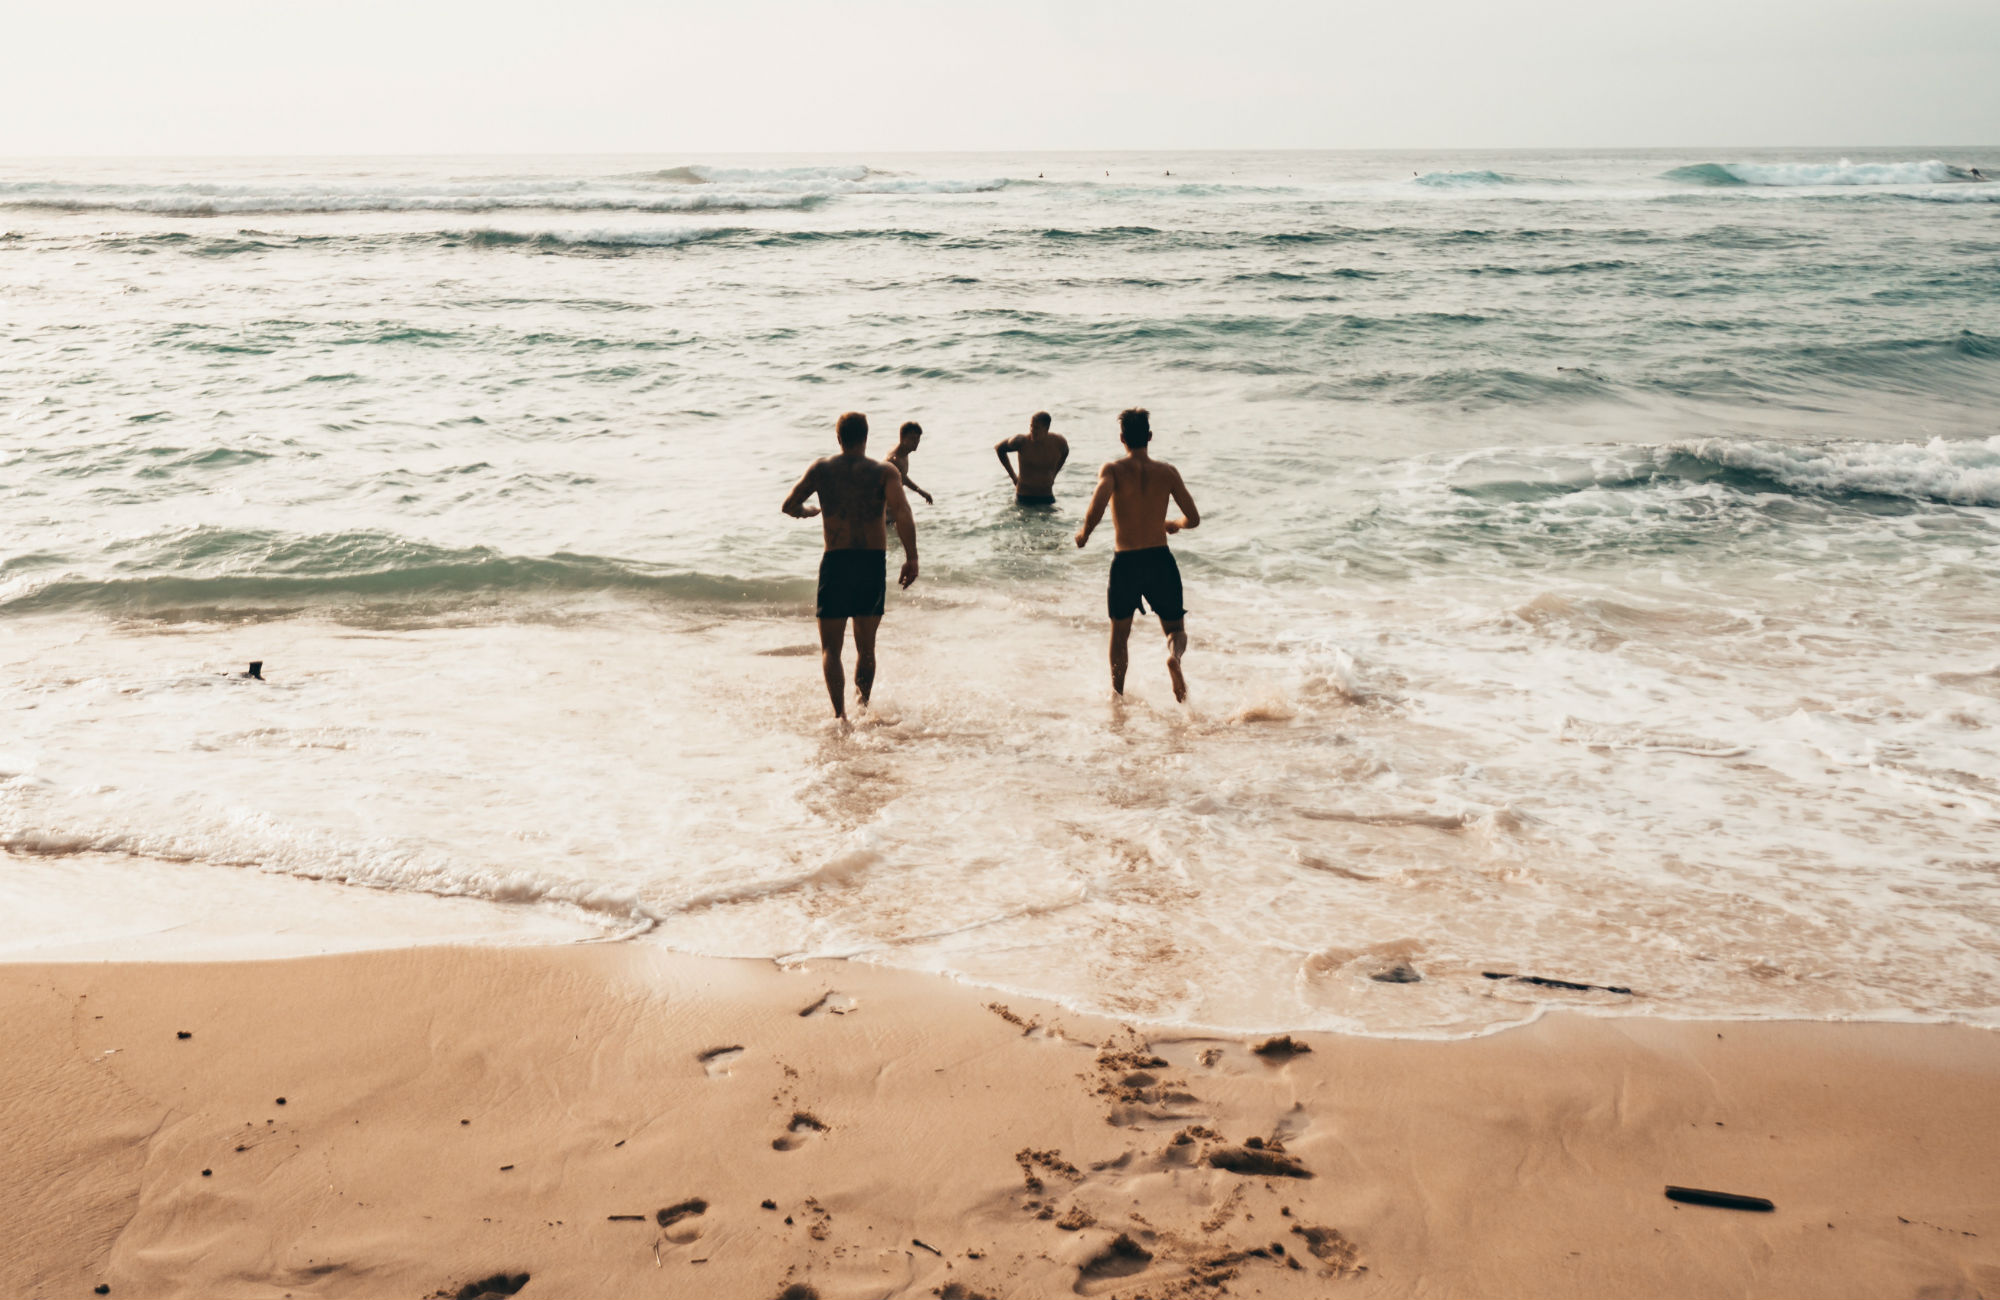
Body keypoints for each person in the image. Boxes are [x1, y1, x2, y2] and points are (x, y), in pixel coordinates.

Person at [782, 412, 919, 719]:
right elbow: (902, 513)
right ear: (866, 438)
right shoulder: (885, 472)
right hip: (871, 563)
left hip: (837, 562)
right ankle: (863, 708)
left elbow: (788, 505)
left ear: (839, 438)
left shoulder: (822, 469)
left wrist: (807, 512)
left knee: (831, 648)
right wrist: (912, 557)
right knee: (866, 648)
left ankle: (840, 717)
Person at [1074, 408, 1200, 702]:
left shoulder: (1113, 470)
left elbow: (1098, 505)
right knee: (1175, 629)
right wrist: (1173, 524)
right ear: (1150, 437)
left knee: (1120, 635)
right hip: (1160, 559)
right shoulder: (1167, 472)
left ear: (1122, 439)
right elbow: (1193, 518)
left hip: (1126, 562)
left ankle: (1117, 696)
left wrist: (1084, 534)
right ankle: (1174, 658)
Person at [994, 411, 1070, 506]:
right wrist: (1013, 477)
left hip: (1046, 496)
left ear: (1046, 428)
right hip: (1024, 496)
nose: (1032, 430)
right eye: (1031, 426)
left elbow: (1065, 452)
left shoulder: (1058, 442)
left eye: (1036, 428)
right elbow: (999, 448)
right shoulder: (1021, 441)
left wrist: (1054, 474)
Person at [887, 421, 933, 504]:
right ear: (902, 438)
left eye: (918, 438)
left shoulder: (904, 452)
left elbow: (902, 476)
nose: (916, 442)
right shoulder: (894, 460)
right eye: (912, 438)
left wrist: (920, 491)